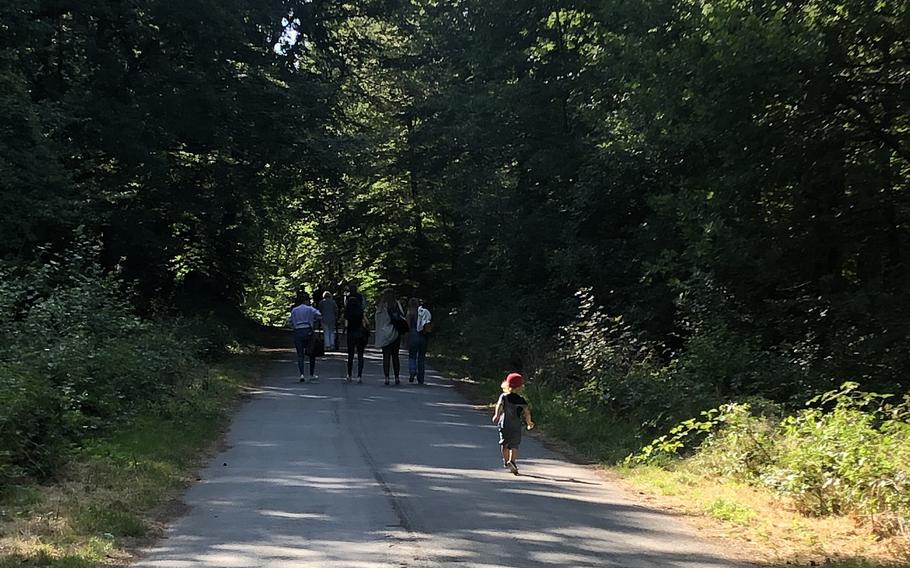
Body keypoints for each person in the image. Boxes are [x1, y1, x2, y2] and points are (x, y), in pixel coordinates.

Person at [491, 372, 534, 475]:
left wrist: (496, 415)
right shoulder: (521, 400)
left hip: (504, 424)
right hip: (516, 426)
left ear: (507, 385)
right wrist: (529, 422)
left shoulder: (504, 397)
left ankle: (506, 461)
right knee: (514, 445)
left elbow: (499, 406)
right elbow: (526, 413)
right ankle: (512, 461)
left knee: (504, 444)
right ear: (521, 387)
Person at [288, 291, 322, 383]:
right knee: (311, 353)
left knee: (300, 354)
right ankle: (311, 374)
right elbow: (319, 315)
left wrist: (294, 326)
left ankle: (301, 374)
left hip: (298, 331)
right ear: (307, 301)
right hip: (308, 331)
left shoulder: (294, 310)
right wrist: (314, 319)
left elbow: (290, 321)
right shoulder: (310, 309)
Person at [375, 288, 404, 385]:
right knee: (395, 356)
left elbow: (378, 319)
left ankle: (386, 377)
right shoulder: (396, 304)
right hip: (395, 333)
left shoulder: (381, 306)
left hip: (385, 334)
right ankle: (396, 377)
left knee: (386, 356)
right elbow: (402, 316)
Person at [344, 290, 367, 383]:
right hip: (360, 334)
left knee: (351, 355)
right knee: (360, 355)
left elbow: (346, 324)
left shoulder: (347, 312)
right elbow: (365, 323)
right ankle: (359, 376)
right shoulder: (360, 311)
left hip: (351, 334)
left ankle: (349, 375)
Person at [407, 298, 432, 384]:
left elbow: (408, 326)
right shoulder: (424, 312)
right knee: (421, 357)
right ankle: (420, 378)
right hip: (423, 335)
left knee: (412, 355)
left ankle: (412, 370)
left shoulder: (410, 313)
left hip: (413, 334)